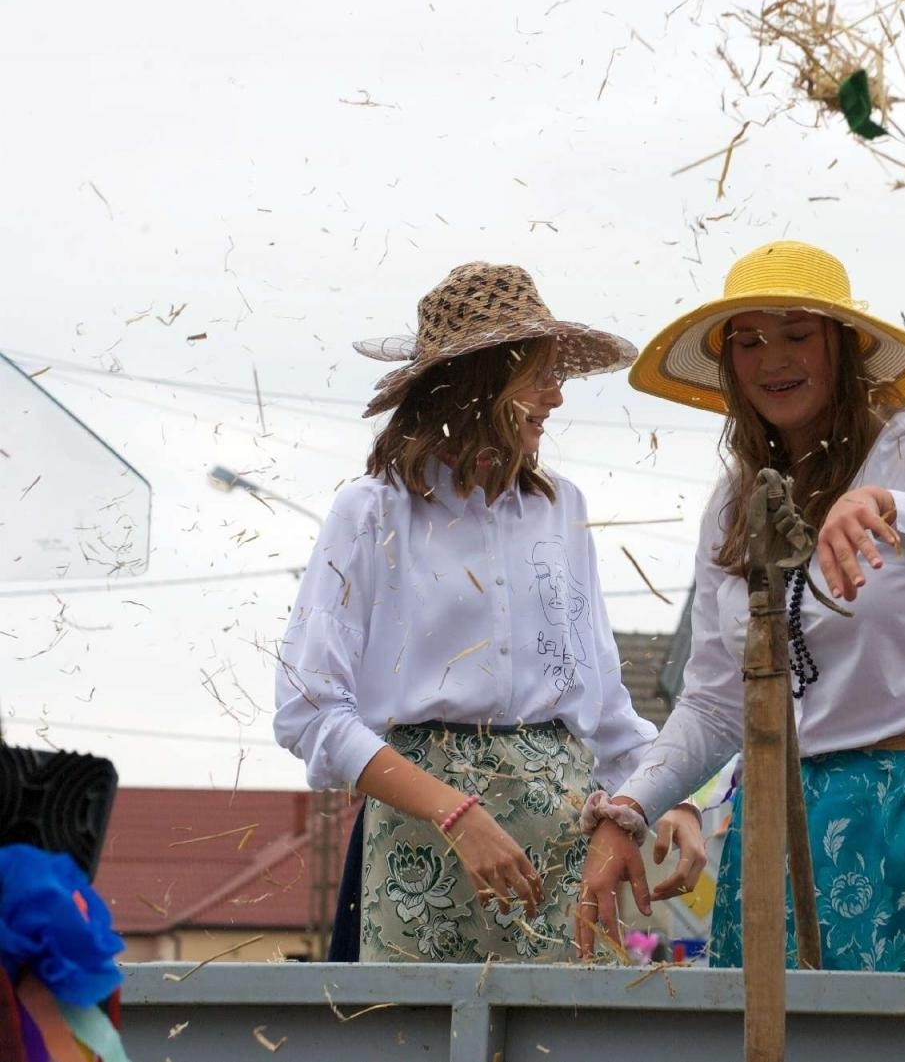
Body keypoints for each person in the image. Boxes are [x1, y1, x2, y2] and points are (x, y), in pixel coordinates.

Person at [577, 240, 905, 974]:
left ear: (844, 346)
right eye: (751, 340)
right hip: (778, 824)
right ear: (731, 365)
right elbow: (714, 702)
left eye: (798, 334)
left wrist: (894, 507)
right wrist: (629, 809)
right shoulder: (735, 503)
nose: (775, 358)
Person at [273, 261, 704, 964]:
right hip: (424, 841)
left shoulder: (560, 509)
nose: (557, 397)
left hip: (562, 845)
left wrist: (669, 796)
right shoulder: (373, 512)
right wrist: (455, 810)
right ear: (477, 382)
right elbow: (308, 710)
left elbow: (600, 701)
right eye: (538, 374)